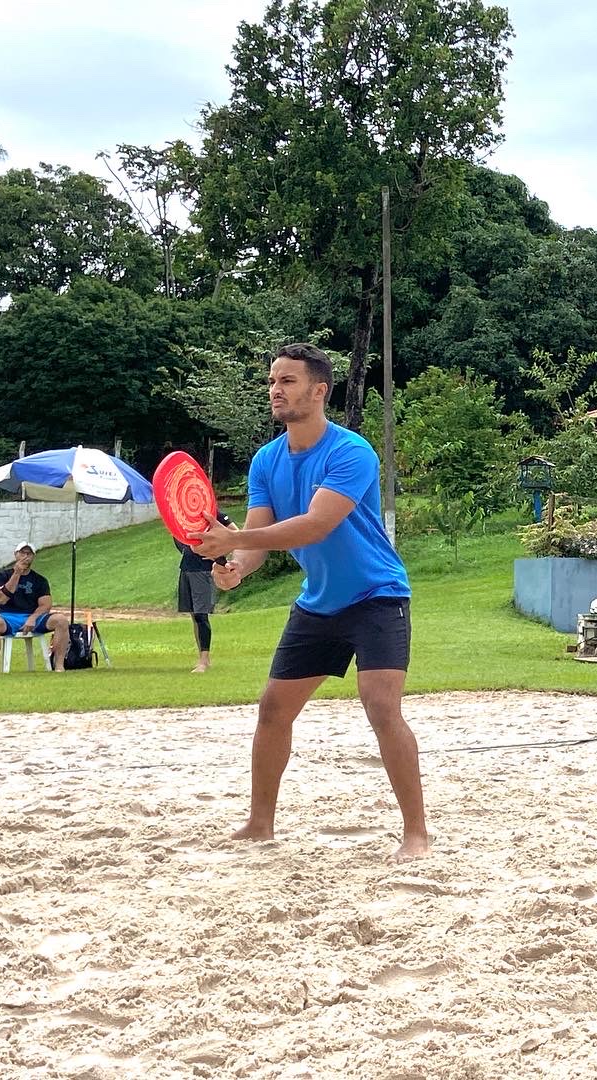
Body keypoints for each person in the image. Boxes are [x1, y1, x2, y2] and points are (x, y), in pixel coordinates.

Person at [190, 342, 428, 864]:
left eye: (289, 381)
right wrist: (235, 568)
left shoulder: (351, 451)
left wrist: (234, 544)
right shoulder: (266, 460)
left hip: (376, 595)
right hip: (318, 602)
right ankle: (259, 824)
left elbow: (317, 525)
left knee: (382, 707)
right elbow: (257, 536)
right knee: (273, 709)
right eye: (273, 381)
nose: (276, 390)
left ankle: (416, 833)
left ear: (319, 390)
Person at [0, 542, 68, 673]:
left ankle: (59, 666)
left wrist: (33, 618)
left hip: (34, 617)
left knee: (61, 620)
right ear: (16, 555)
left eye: (29, 554)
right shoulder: (2, 576)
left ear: (33, 557)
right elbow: (1, 599)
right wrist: (17, 574)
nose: (25, 557)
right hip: (8, 617)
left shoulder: (40, 580)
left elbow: (46, 605)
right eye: (22, 553)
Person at [176, 537, 217, 673]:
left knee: (201, 615)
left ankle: (204, 661)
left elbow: (234, 534)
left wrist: (218, 556)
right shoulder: (185, 520)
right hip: (187, 568)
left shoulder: (215, 516)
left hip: (203, 570)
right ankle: (203, 657)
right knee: (194, 614)